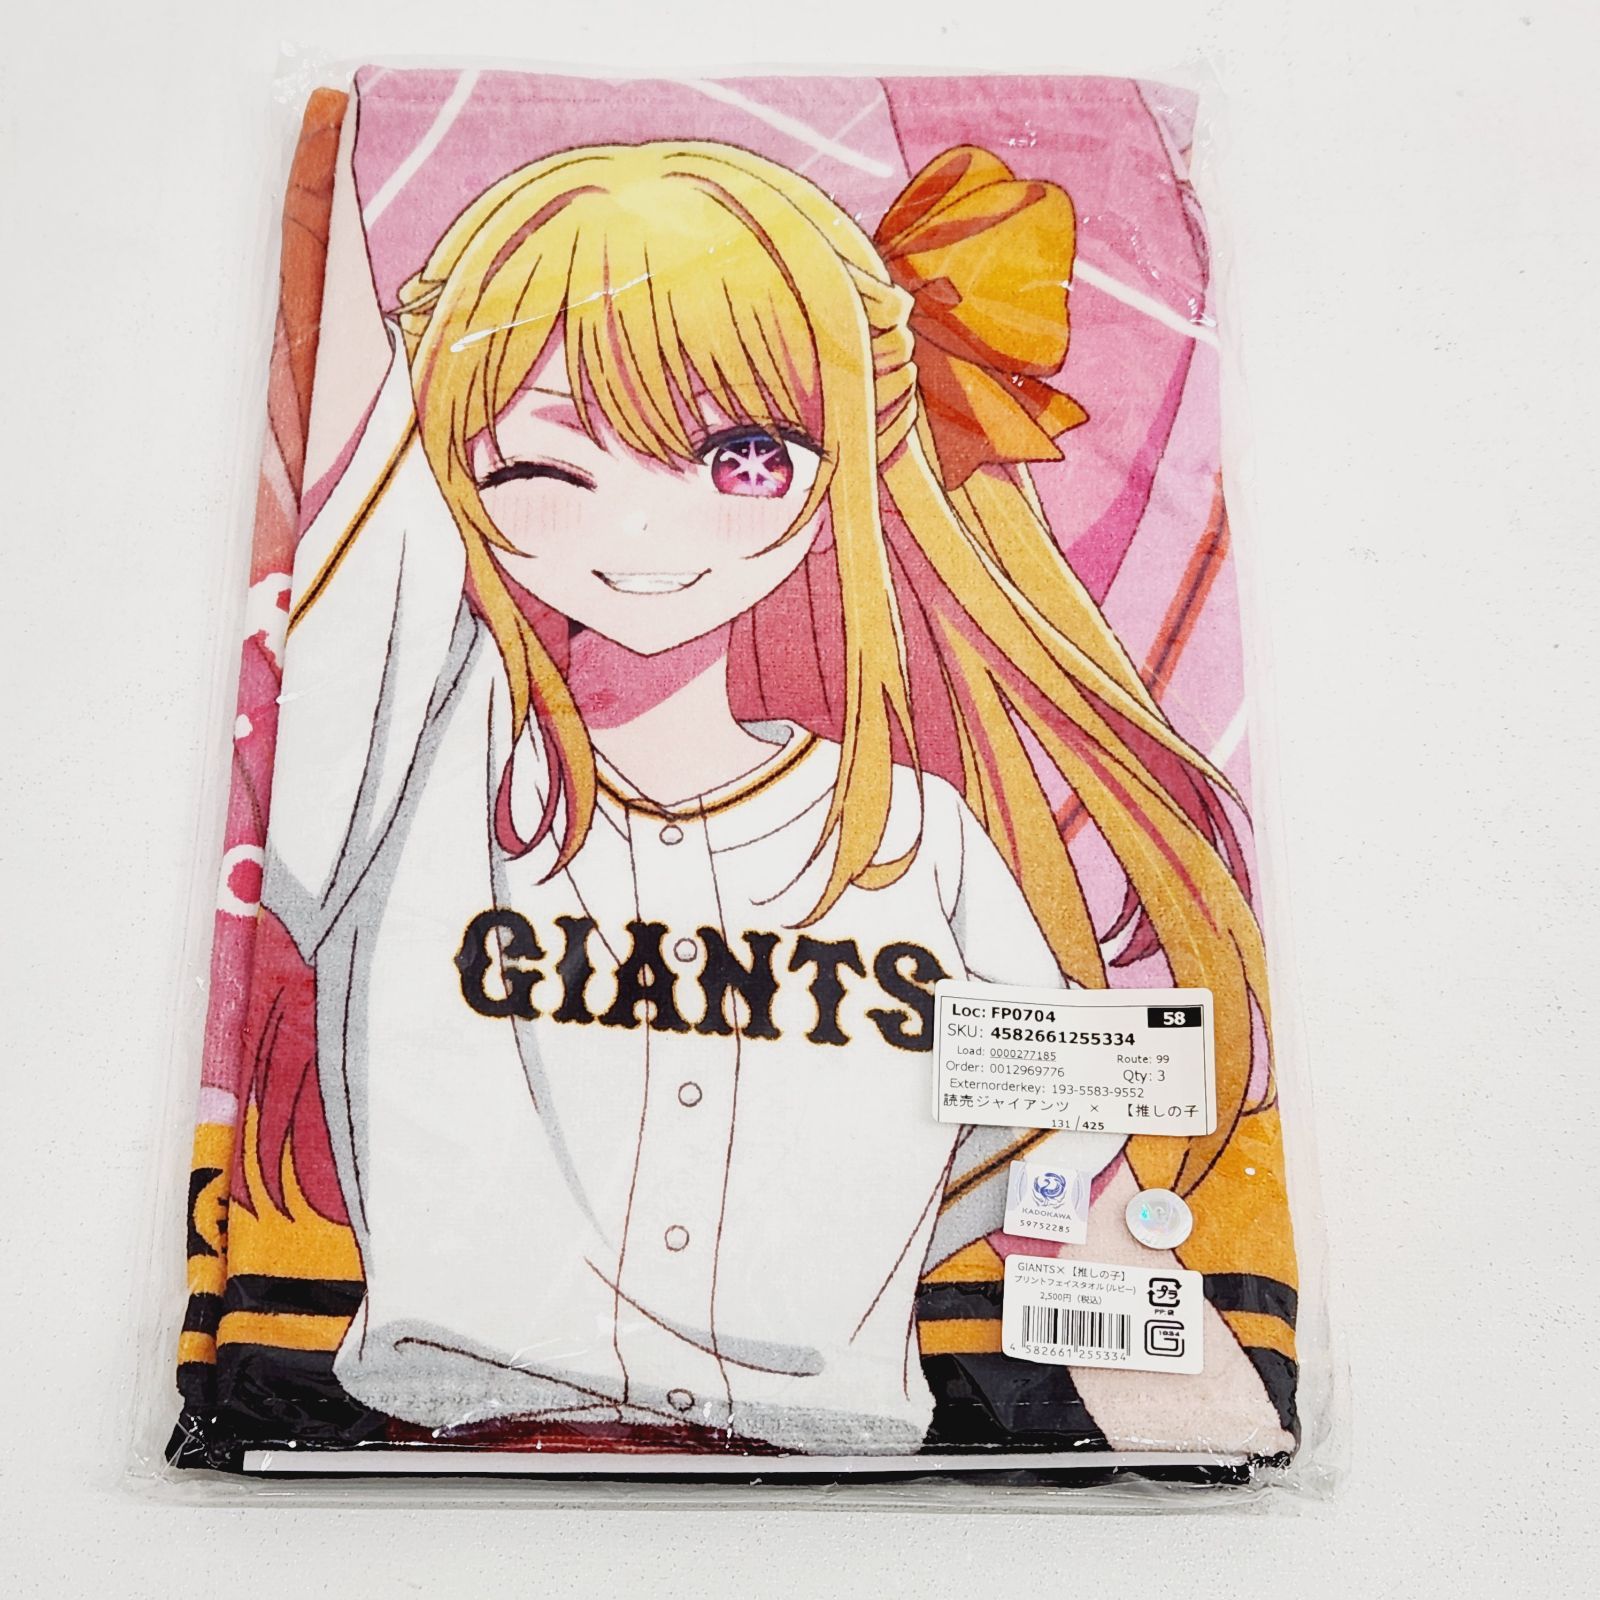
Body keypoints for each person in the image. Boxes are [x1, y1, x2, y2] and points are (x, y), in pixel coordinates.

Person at [255, 127, 1289, 1456]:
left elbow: (1070, 1204)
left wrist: (1229, 1447)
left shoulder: (919, 848)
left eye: (739, 457)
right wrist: (346, 126)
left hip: (841, 1478)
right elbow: (355, 420)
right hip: (447, 1447)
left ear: (838, 467)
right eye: (546, 468)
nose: (643, 529)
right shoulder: (404, 773)